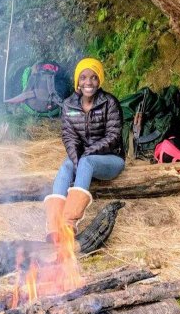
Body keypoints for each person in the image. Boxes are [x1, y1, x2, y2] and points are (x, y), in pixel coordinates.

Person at [44, 57, 125, 243]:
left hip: (110, 159)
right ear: (77, 81)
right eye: (83, 77)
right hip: (83, 160)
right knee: (65, 167)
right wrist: (75, 160)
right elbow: (69, 137)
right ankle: (54, 227)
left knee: (86, 162)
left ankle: (69, 223)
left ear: (100, 80)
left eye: (94, 77)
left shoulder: (109, 103)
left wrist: (86, 156)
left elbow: (113, 137)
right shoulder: (68, 105)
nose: (88, 82)